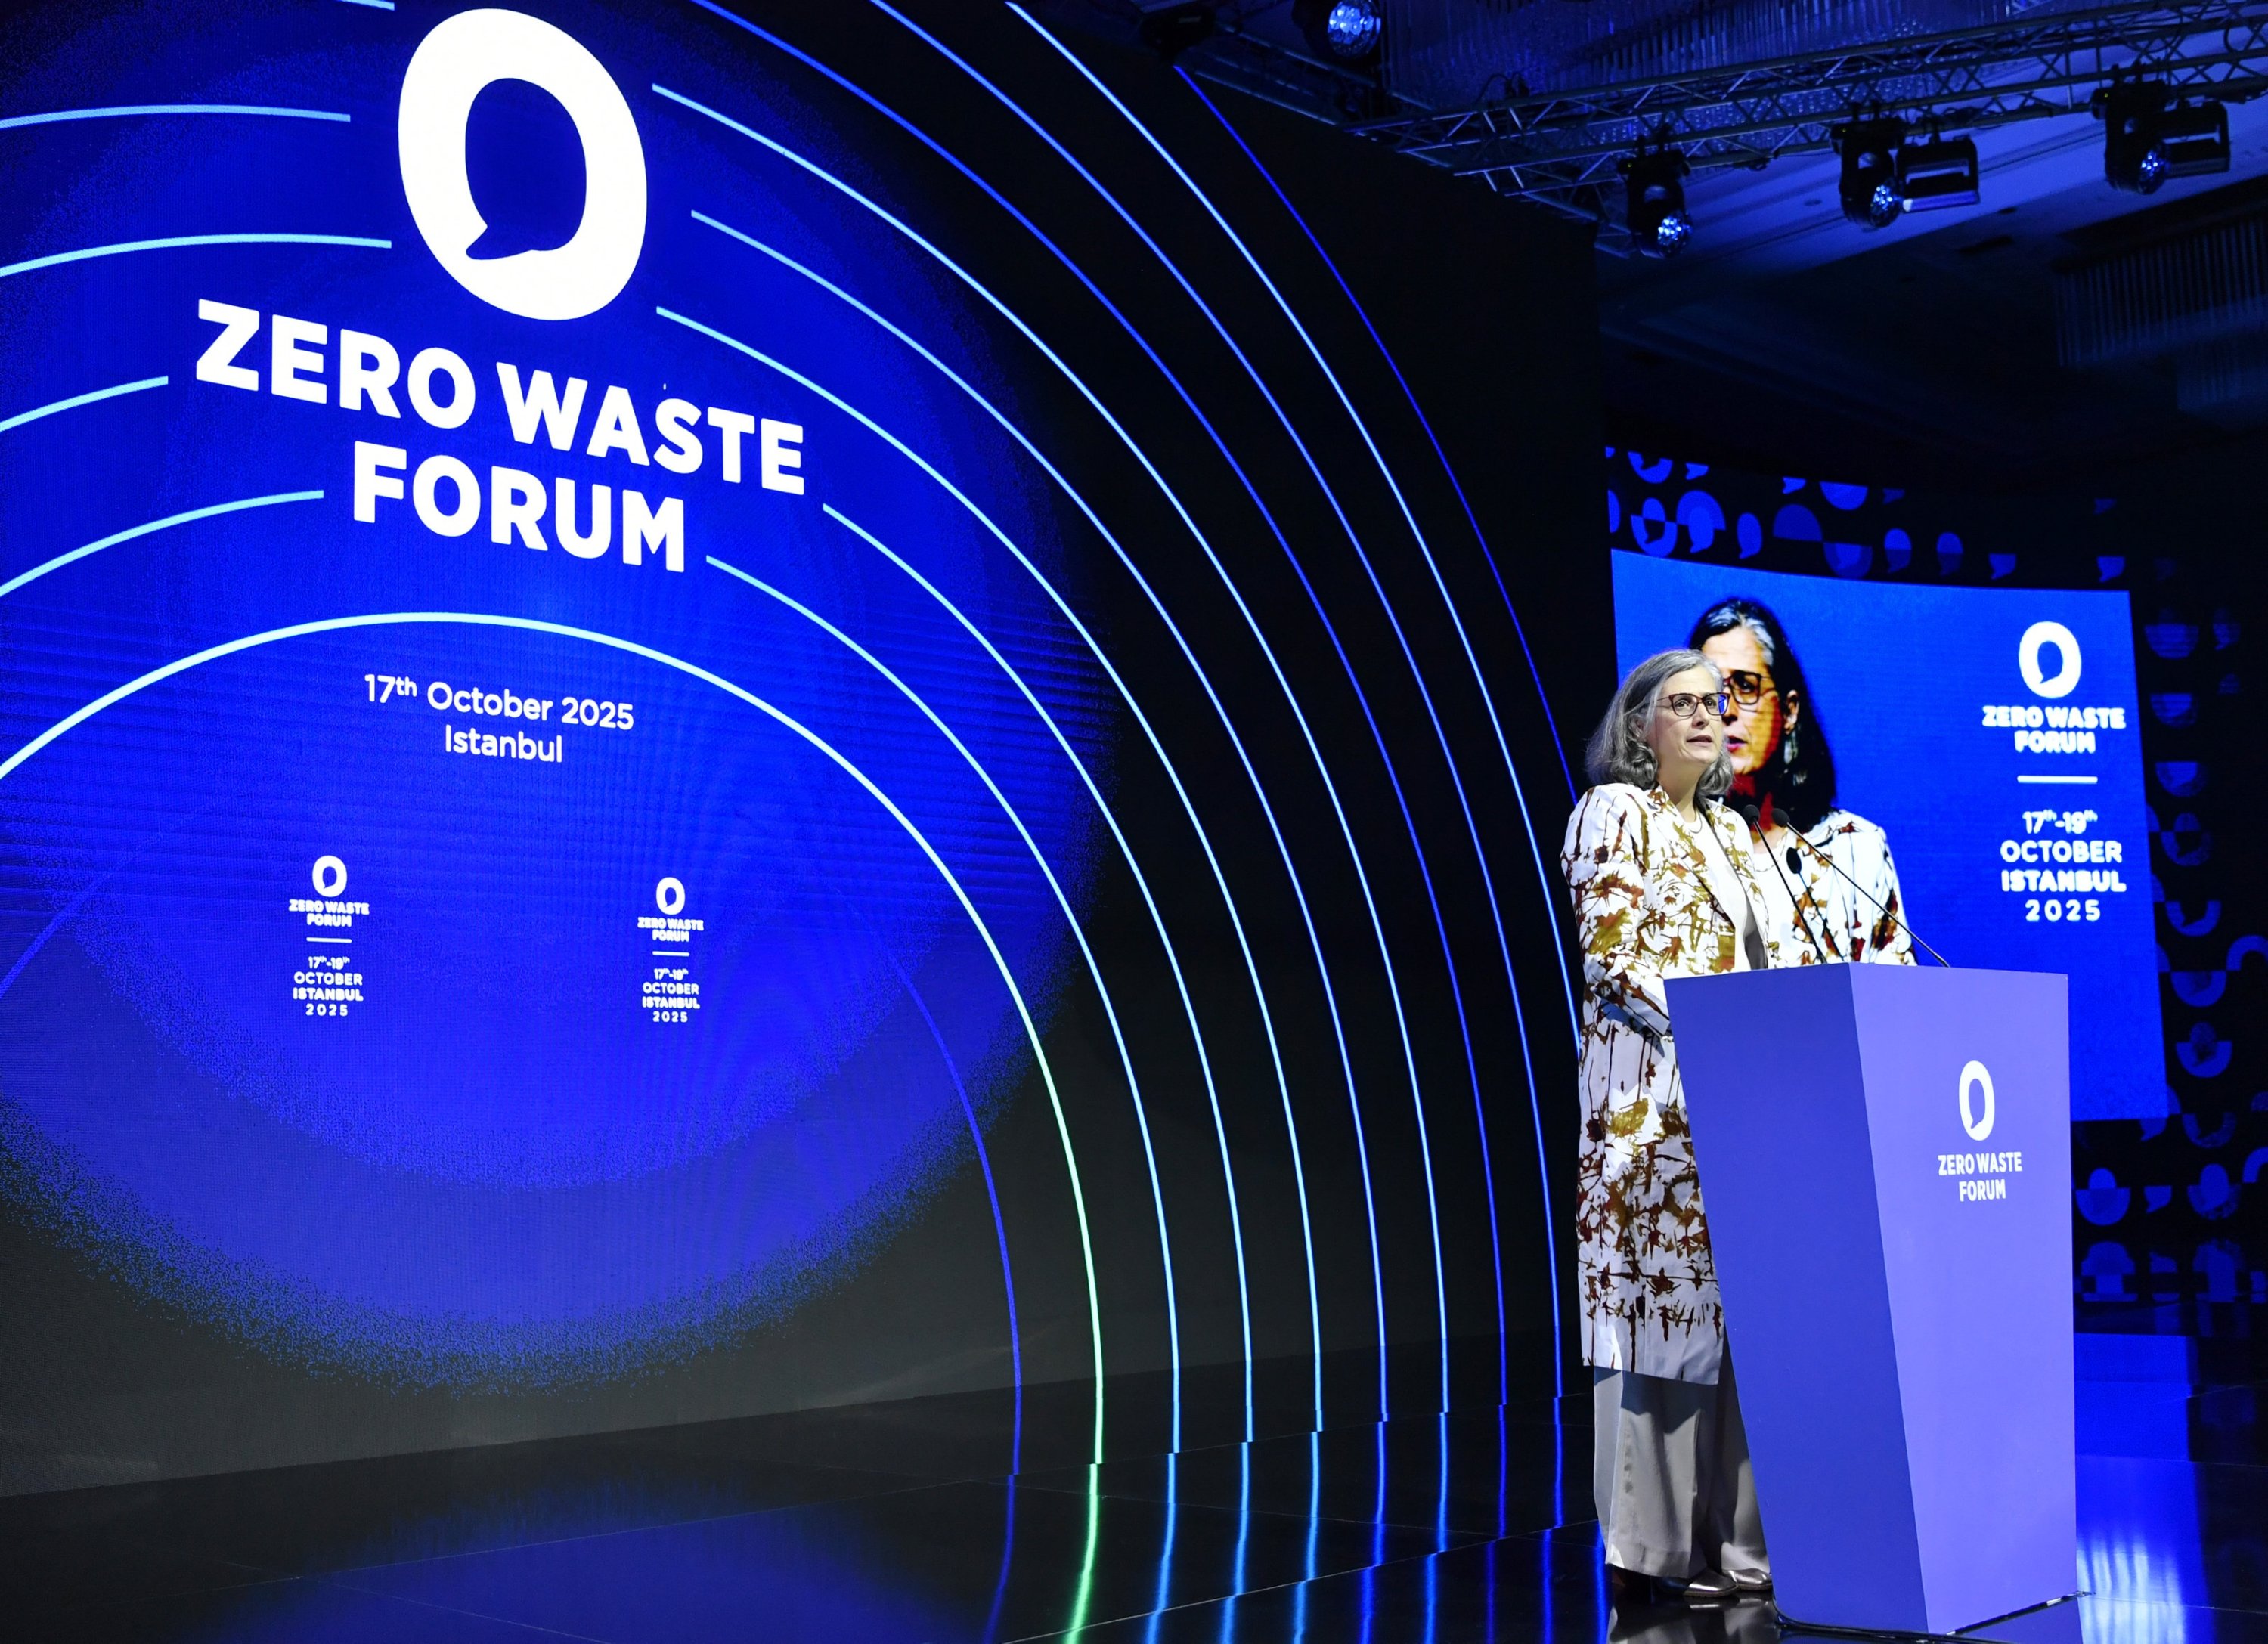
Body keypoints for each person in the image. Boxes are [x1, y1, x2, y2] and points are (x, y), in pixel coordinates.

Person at [1562, 649, 1792, 1602]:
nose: (1708, 715)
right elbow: (1613, 960)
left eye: (1720, 700)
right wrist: (1722, 1030)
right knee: (1667, 1327)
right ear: (1639, 726)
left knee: (1746, 1327)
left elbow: (1774, 958)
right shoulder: (1615, 813)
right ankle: (1658, 1555)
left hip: (1742, 1109)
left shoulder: (1737, 834)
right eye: (1682, 703)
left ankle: (1744, 1549)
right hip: (1652, 1111)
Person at [1688, 598, 1916, 965]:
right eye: (1709, 692)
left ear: (1789, 710)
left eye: (1745, 686)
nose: (1725, 710)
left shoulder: (1855, 851)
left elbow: (1898, 1005)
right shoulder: (1661, 844)